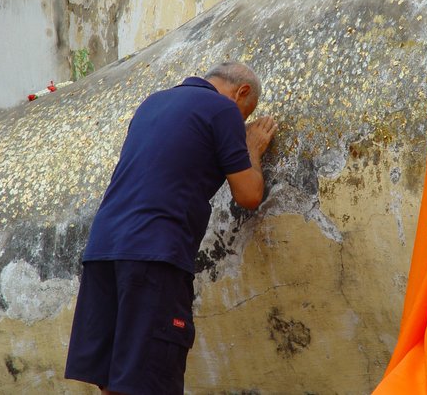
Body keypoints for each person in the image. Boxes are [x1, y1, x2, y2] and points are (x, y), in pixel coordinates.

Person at [64, 62, 277, 395]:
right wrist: (251, 147)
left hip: (103, 250)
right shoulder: (223, 109)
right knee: (151, 379)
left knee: (115, 380)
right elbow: (249, 195)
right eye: (245, 114)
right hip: (155, 253)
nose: (243, 123)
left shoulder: (152, 103)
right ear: (242, 92)